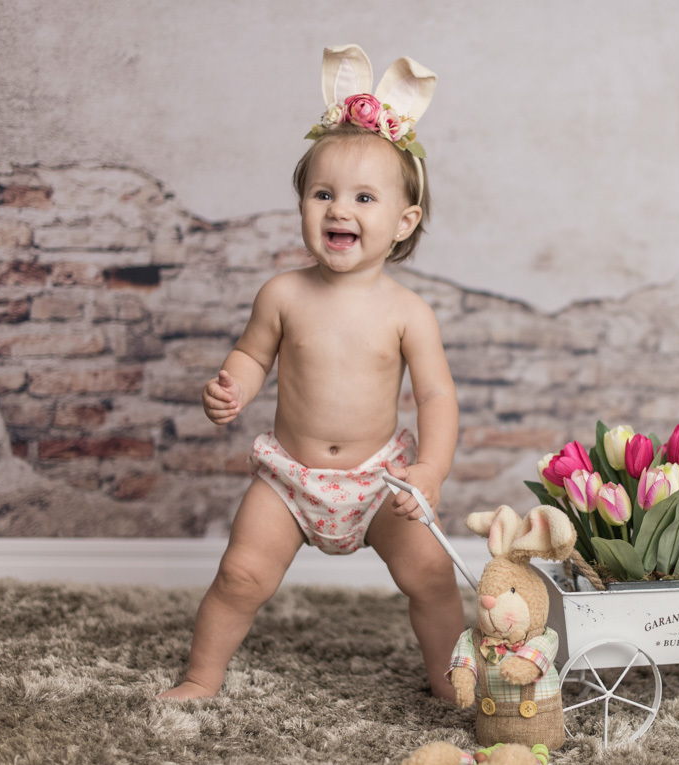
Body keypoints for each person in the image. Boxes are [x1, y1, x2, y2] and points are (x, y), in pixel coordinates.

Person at [160, 45, 464, 702]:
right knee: (241, 574)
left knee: (433, 574)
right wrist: (233, 385)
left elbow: (437, 396)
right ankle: (199, 679)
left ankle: (449, 683)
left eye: (362, 197)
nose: (338, 210)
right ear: (302, 202)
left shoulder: (408, 312)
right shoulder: (283, 295)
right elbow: (252, 354)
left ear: (403, 221)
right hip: (291, 480)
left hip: (380, 480)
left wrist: (429, 472)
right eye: (321, 193)